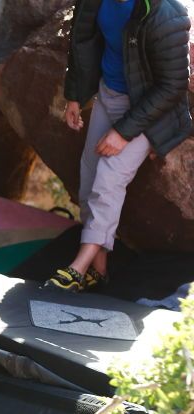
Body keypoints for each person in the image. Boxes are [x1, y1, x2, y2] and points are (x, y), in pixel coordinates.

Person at [45, 0, 191, 292]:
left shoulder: (167, 14)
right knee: (88, 178)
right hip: (108, 95)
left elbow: (173, 85)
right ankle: (99, 269)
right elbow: (83, 40)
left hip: (146, 110)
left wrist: (123, 133)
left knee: (108, 182)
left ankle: (78, 267)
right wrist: (75, 95)